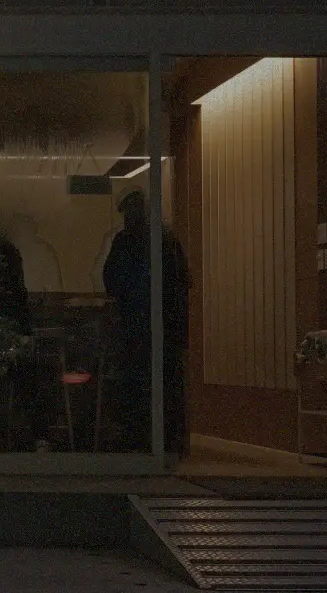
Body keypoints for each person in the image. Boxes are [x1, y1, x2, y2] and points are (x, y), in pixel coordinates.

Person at [100, 190, 189, 457]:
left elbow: (111, 280)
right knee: (164, 387)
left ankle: (140, 442)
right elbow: (182, 283)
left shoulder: (126, 242)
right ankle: (166, 444)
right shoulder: (166, 241)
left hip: (136, 328)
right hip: (163, 329)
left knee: (137, 387)